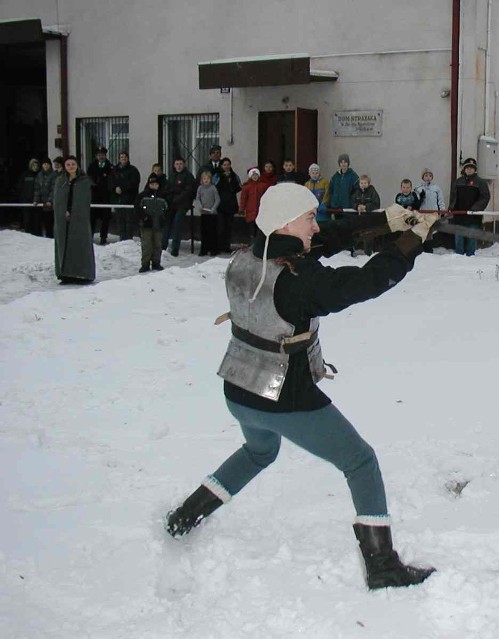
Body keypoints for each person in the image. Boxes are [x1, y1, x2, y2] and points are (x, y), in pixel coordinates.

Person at [164, 185, 440, 590]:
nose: (316, 225)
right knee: (361, 462)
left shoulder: (247, 255)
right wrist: (410, 243)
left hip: (239, 389)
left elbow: (327, 238)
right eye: (309, 218)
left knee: (259, 452)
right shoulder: (298, 279)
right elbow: (362, 283)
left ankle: (184, 516)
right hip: (284, 398)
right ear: (285, 223)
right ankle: (381, 565)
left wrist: (387, 219)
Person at [53, 156, 95, 284]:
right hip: (63, 220)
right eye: (68, 164)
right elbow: (58, 200)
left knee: (80, 244)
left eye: (73, 164)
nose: (71, 166)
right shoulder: (61, 181)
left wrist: (75, 212)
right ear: (65, 167)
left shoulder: (84, 181)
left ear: (77, 165)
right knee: (64, 245)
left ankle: (82, 274)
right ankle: (65, 274)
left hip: (80, 218)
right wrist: (63, 211)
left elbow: (85, 200)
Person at [448, 157, 490, 256]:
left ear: (475, 170)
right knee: (459, 238)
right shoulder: (458, 182)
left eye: (471, 168)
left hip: (473, 217)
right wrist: (451, 208)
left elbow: (485, 197)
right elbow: (453, 197)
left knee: (471, 238)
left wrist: (476, 208)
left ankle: (470, 258)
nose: (469, 169)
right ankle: (459, 256)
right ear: (464, 169)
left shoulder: (481, 182)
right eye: (467, 168)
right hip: (459, 216)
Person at [163, 157, 196, 256]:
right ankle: (163, 246)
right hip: (172, 204)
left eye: (180, 164)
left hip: (183, 204)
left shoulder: (188, 176)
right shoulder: (172, 176)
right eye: (177, 164)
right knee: (167, 223)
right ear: (174, 165)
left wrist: (177, 198)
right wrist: (170, 198)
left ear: (184, 164)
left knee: (177, 223)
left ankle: (175, 249)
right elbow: (168, 189)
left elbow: (188, 191)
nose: (179, 166)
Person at [135, 174, 168, 272]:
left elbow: (167, 208)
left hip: (158, 224)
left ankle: (156, 262)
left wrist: (163, 217)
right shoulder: (143, 196)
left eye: (155, 184)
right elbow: (137, 208)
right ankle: (145, 264)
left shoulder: (163, 196)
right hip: (146, 225)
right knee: (146, 245)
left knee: (157, 244)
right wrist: (143, 217)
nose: (154, 186)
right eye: (152, 184)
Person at [108, 151, 140, 241]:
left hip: (130, 200)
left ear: (128, 158)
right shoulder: (114, 170)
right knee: (120, 221)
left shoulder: (133, 170)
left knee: (129, 221)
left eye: (125, 157)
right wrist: (115, 188)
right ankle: (122, 239)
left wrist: (123, 188)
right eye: (121, 157)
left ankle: (129, 240)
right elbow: (110, 182)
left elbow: (134, 183)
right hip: (118, 200)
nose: (123, 159)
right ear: (119, 159)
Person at [86, 146, 112, 245]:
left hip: (105, 196)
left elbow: (111, 180)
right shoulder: (92, 166)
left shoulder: (110, 167)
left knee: (105, 218)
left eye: (103, 155)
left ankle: (103, 237)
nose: (101, 156)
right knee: (92, 217)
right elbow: (88, 178)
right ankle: (90, 236)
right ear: (96, 156)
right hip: (94, 196)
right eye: (99, 155)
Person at [215, 158, 241, 254]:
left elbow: (239, 186)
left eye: (228, 164)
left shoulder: (234, 176)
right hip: (220, 205)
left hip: (231, 204)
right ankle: (219, 246)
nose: (226, 166)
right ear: (221, 166)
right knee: (220, 227)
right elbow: (214, 186)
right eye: (224, 165)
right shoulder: (217, 175)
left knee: (228, 227)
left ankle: (226, 246)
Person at [194, 170, 221, 256]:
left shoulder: (213, 188)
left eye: (208, 178)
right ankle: (203, 249)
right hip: (204, 213)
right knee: (204, 232)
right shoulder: (200, 188)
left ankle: (213, 249)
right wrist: (199, 206)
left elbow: (217, 199)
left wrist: (213, 208)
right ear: (202, 179)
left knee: (212, 232)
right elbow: (197, 198)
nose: (206, 180)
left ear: (210, 179)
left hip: (212, 214)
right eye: (204, 178)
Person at [239, 167, 268, 238]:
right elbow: (243, 199)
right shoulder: (246, 187)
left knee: (259, 228)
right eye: (253, 175)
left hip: (260, 210)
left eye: (256, 175)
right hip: (250, 211)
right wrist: (241, 209)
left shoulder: (263, 186)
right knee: (252, 228)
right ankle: (252, 241)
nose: (255, 177)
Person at [33, 157, 58, 238]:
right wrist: (36, 200)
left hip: (50, 205)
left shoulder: (54, 175)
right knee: (39, 222)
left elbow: (53, 189)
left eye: (47, 164)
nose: (46, 166)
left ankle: (50, 238)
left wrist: (50, 201)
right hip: (41, 203)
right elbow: (37, 189)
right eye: (44, 164)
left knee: (49, 223)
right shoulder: (39, 175)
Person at [17, 158, 41, 235]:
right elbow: (19, 187)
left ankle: (37, 236)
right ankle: (28, 235)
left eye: (36, 165)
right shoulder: (25, 174)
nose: (35, 167)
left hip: (37, 201)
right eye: (33, 165)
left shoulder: (39, 175)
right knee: (27, 220)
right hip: (26, 201)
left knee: (36, 220)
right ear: (30, 166)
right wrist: (21, 199)